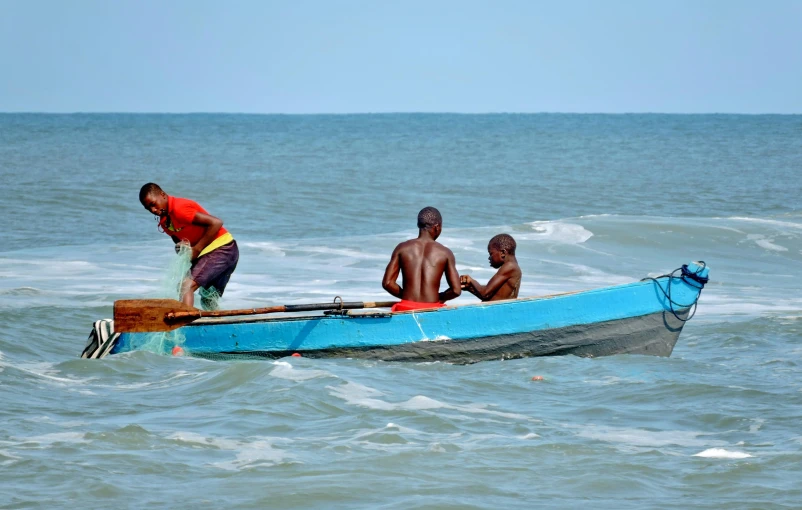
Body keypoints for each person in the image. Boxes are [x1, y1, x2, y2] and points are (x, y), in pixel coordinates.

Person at [139, 183, 238, 309]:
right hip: (214, 253)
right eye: (148, 208)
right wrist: (181, 247)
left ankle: (184, 325)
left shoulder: (179, 209)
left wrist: (196, 249)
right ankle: (217, 325)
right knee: (208, 299)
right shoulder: (165, 221)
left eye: (153, 204)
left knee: (185, 286)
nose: (152, 210)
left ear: (162, 195)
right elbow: (179, 240)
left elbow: (216, 223)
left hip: (222, 249)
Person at [382, 206, 461, 312]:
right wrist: (438, 297)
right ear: (437, 227)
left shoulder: (402, 248)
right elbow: (456, 290)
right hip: (432, 309)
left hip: (405, 307)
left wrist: (407, 296)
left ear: (418, 225)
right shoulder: (445, 253)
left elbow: (387, 283)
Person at [460, 234, 521, 301]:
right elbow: (486, 296)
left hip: (496, 310)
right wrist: (469, 288)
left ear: (503, 253)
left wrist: (471, 280)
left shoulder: (510, 266)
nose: (489, 258)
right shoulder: (512, 266)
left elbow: (484, 293)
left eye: (491, 254)